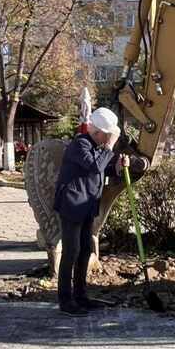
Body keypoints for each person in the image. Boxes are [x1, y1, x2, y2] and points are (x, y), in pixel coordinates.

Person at [53, 107, 132, 315]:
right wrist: (111, 147)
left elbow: (104, 168)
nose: (108, 139)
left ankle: (81, 296)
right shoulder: (80, 144)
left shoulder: (97, 146)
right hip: (71, 205)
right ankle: (65, 300)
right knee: (71, 252)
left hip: (87, 205)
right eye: (106, 135)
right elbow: (94, 167)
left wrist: (117, 165)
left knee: (86, 250)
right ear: (97, 132)